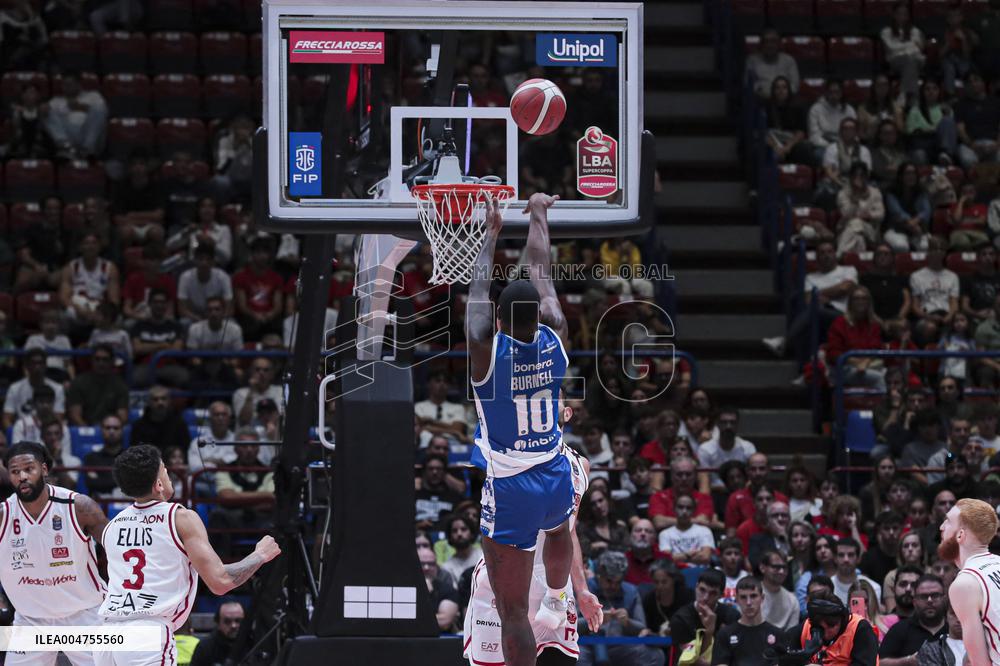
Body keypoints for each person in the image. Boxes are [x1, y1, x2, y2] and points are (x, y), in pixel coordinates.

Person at [98, 444, 281, 665]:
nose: (169, 474)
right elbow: (220, 582)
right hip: (146, 634)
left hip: (107, 635)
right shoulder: (180, 518)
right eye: (165, 470)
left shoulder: (112, 526)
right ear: (158, 484)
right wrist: (260, 555)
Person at [464, 446, 603, 666]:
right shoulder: (506, 448)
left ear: (566, 413)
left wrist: (582, 588)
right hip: (508, 572)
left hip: (552, 578)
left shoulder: (579, 464)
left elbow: (570, 530)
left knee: (559, 659)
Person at [0, 441, 109, 666]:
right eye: (15, 471)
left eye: (28, 469)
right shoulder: (3, 515)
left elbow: (119, 551)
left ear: (44, 469)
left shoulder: (79, 507)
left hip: (84, 615)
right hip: (31, 620)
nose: (22, 476)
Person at [939, 497, 1000, 664]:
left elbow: (979, 662)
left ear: (960, 535)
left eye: (948, 522)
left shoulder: (965, 584)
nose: (941, 527)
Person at [783, 591, 879, 665]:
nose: (826, 632)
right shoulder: (807, 626)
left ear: (842, 619)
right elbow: (782, 655)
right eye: (820, 627)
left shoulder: (860, 629)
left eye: (831, 625)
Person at [669, 569, 741, 666]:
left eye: (713, 593)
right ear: (696, 587)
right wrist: (709, 631)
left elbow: (737, 653)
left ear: (721, 595)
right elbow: (692, 660)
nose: (705, 597)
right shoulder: (680, 618)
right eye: (702, 590)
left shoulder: (732, 616)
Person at [711, 576, 786, 666]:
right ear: (737, 599)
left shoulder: (778, 634)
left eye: (753, 596)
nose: (748, 602)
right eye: (743, 597)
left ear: (762, 598)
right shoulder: (725, 634)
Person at [878, 574, 949, 666]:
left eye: (935, 595)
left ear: (944, 598)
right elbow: (879, 663)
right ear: (914, 601)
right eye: (923, 596)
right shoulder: (900, 629)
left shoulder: (956, 629)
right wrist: (908, 661)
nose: (929, 600)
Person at [66, 343, 129, 426]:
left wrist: (110, 430)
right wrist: (91, 433)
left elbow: (122, 416)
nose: (101, 363)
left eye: (105, 359)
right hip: (85, 430)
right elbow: (75, 416)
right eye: (97, 359)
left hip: (110, 430)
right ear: (91, 360)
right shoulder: (79, 382)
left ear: (112, 361)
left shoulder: (120, 385)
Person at [695, 406, 756, 491]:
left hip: (742, 493)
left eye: (732, 422)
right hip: (714, 494)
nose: (728, 426)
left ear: (738, 424)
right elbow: (703, 482)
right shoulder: (705, 449)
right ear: (717, 424)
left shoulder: (748, 447)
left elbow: (752, 480)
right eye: (724, 422)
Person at [657, 494, 715, 566]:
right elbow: (666, 559)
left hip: (700, 573)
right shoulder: (665, 534)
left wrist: (677, 557)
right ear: (674, 509)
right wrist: (688, 554)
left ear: (694, 510)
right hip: (675, 573)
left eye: (688, 508)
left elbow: (705, 558)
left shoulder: (704, 531)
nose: (684, 511)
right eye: (680, 507)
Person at [746, 28, 800, 99]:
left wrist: (780, 95)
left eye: (773, 41)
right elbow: (748, 84)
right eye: (766, 41)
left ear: (779, 44)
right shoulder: (752, 60)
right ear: (761, 44)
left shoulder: (789, 60)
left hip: (785, 102)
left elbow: (795, 86)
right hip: (760, 101)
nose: (770, 45)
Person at [643, 560, 692, 635]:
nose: (660, 586)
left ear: (673, 580)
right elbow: (649, 628)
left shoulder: (687, 596)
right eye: (656, 582)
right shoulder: (649, 600)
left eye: (664, 582)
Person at [82, 414, 126, 499]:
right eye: (108, 428)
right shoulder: (91, 458)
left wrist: (102, 479)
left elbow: (133, 484)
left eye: (116, 428)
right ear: (101, 430)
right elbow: (92, 483)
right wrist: (120, 481)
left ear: (122, 431)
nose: (112, 431)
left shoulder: (131, 458)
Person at [189, 599, 244, 666]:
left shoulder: (252, 643)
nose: (233, 625)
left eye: (238, 621)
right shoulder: (205, 647)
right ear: (218, 623)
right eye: (227, 621)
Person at [832, 538, 882, 605]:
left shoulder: (873, 588)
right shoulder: (828, 588)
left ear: (858, 558)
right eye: (841, 555)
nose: (846, 559)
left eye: (850, 555)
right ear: (835, 558)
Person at [758, 549, 799, 630]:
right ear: (762, 568)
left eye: (784, 567)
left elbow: (791, 635)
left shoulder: (792, 600)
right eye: (776, 567)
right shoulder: (751, 595)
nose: (781, 571)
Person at [860, 511, 904, 583]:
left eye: (895, 528)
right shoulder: (868, 558)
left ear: (901, 529)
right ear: (879, 530)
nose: (891, 532)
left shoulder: (906, 556)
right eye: (886, 528)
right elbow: (865, 588)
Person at [440, 514, 482, 583]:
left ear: (472, 534)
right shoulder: (446, 568)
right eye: (454, 531)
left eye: (463, 529)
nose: (459, 533)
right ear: (450, 537)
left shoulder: (483, 557)